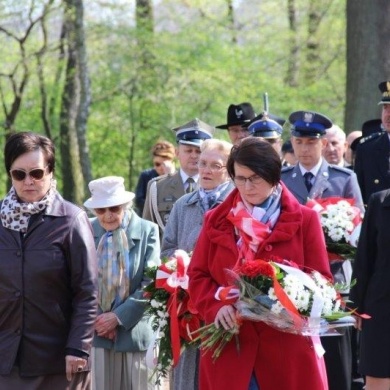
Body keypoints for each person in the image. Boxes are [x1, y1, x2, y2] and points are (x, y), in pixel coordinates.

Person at [188, 137, 332, 390]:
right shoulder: (216, 219)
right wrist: (215, 306)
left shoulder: (305, 219)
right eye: (240, 178)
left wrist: (285, 299)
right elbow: (197, 275)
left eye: (255, 178)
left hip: (285, 350)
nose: (247, 187)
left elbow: (322, 280)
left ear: (274, 176)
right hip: (230, 345)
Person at [0, 131, 98, 389]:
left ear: (50, 171)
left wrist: (79, 347)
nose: (28, 181)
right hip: (7, 358)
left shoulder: (71, 220)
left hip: (59, 359)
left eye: (37, 173)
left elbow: (87, 292)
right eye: (19, 174)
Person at [281, 111, 364, 390]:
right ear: (292, 143)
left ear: (323, 143)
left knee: (337, 364)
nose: (304, 149)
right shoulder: (281, 180)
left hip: (335, 282)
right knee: (295, 361)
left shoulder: (344, 178)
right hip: (290, 283)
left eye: (310, 142)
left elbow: (357, 231)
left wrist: (335, 246)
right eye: (299, 142)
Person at [161, 138, 234, 390]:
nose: (206, 170)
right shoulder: (183, 204)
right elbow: (168, 247)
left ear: (229, 170)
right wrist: (179, 267)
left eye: (216, 165)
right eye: (203, 163)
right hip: (186, 304)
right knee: (186, 371)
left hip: (221, 304)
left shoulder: (235, 204)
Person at [84, 176, 160, 390]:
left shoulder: (148, 230)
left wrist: (117, 317)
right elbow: (79, 281)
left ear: (125, 206)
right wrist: (100, 319)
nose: (108, 216)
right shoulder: (85, 230)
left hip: (135, 331)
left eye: (114, 208)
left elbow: (151, 282)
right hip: (96, 333)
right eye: (100, 210)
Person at [143, 118, 213, 236]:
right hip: (167, 253)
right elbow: (147, 230)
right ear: (177, 153)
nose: (194, 156)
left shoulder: (217, 187)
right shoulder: (157, 187)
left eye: (198, 151)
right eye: (188, 150)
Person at [349, 188, 390, 390]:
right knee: (377, 380)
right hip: (381, 309)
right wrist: (355, 306)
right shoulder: (380, 201)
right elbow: (364, 257)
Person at [354, 81, 390, 205]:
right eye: (385, 108)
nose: (388, 115)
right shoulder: (367, 149)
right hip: (378, 222)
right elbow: (359, 197)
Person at [135, 140, 176, 216]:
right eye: (157, 164)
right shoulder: (146, 176)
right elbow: (139, 201)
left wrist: (171, 176)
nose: (160, 168)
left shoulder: (179, 177)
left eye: (164, 164)